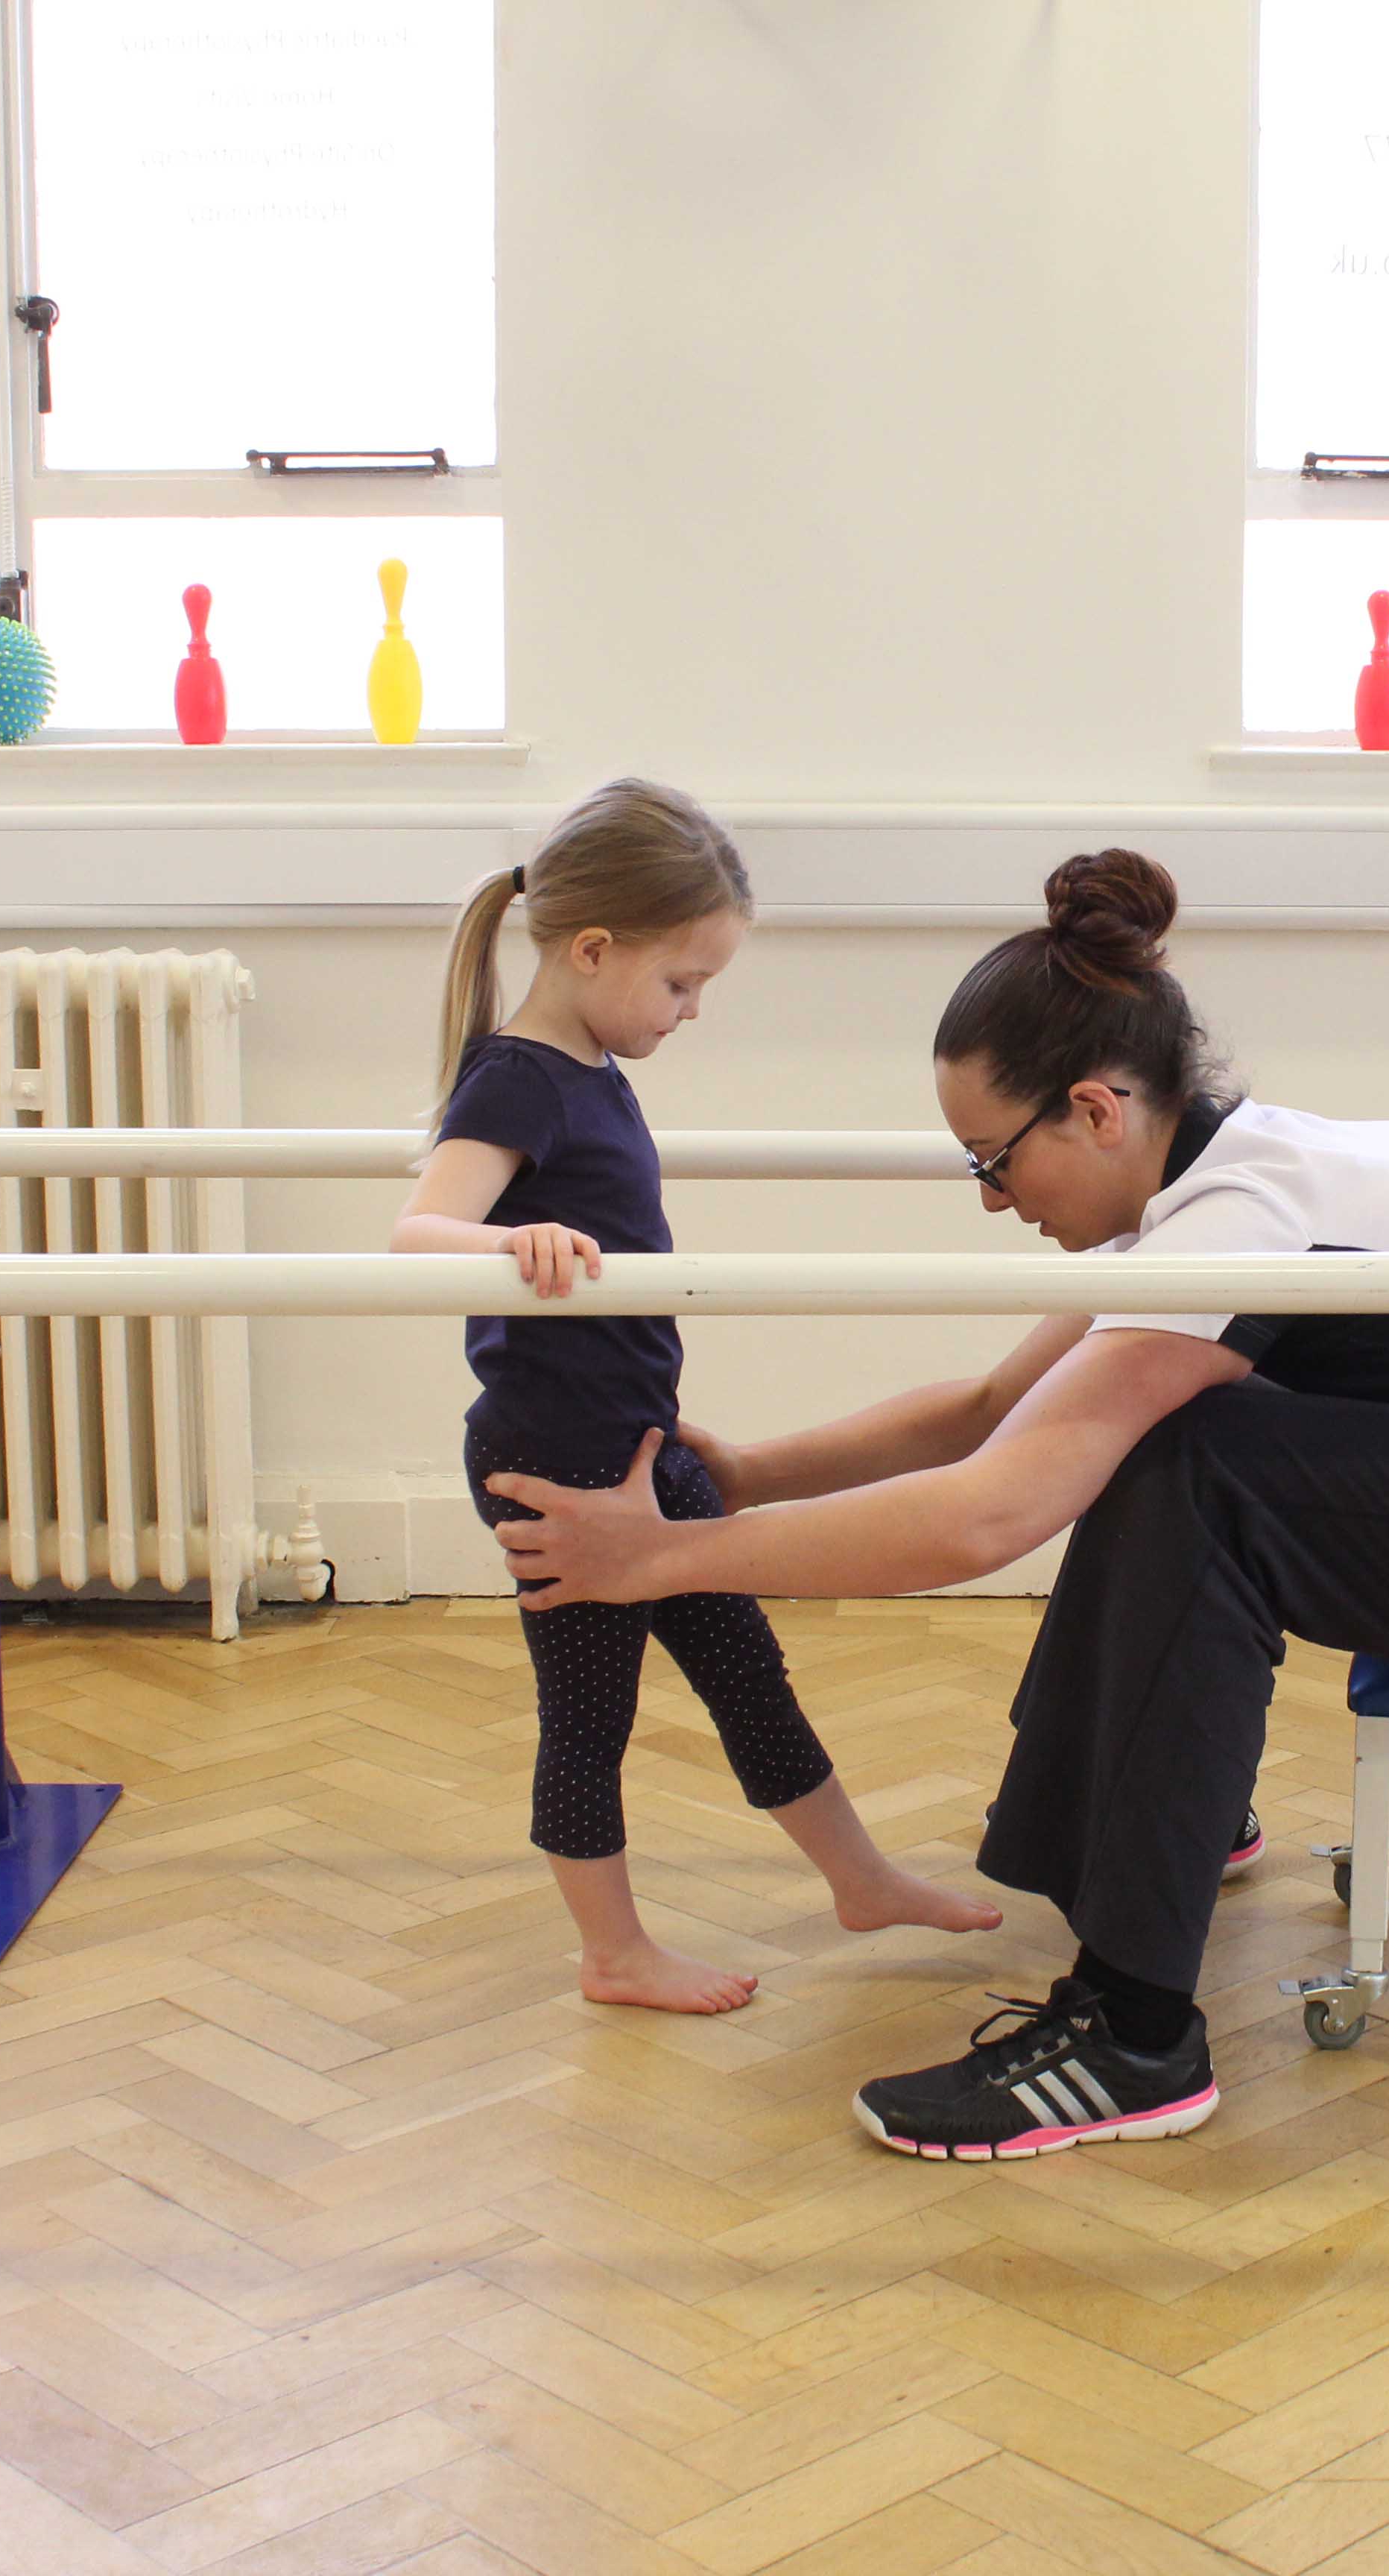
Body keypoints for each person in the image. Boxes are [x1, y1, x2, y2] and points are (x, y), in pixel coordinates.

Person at [488, 849, 1389, 2151]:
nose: (992, 1200)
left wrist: (661, 1559)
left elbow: (988, 1514)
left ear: (1096, 1109)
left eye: (996, 1162)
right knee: (1170, 1435)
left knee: (1199, 1461)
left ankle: (1136, 2036)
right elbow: (992, 1415)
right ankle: (1168, 1824)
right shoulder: (1226, 1183)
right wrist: (740, 1475)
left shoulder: (1243, 1217)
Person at [393, 778, 1000, 2016]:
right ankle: (612, 1954)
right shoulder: (514, 1078)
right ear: (593, 948)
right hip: (550, 1467)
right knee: (590, 1712)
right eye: (682, 985)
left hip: (637, 1445)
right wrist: (518, 1247)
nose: (692, 1012)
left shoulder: (588, 1067)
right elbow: (415, 1235)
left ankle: (862, 1879)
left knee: (749, 1672)